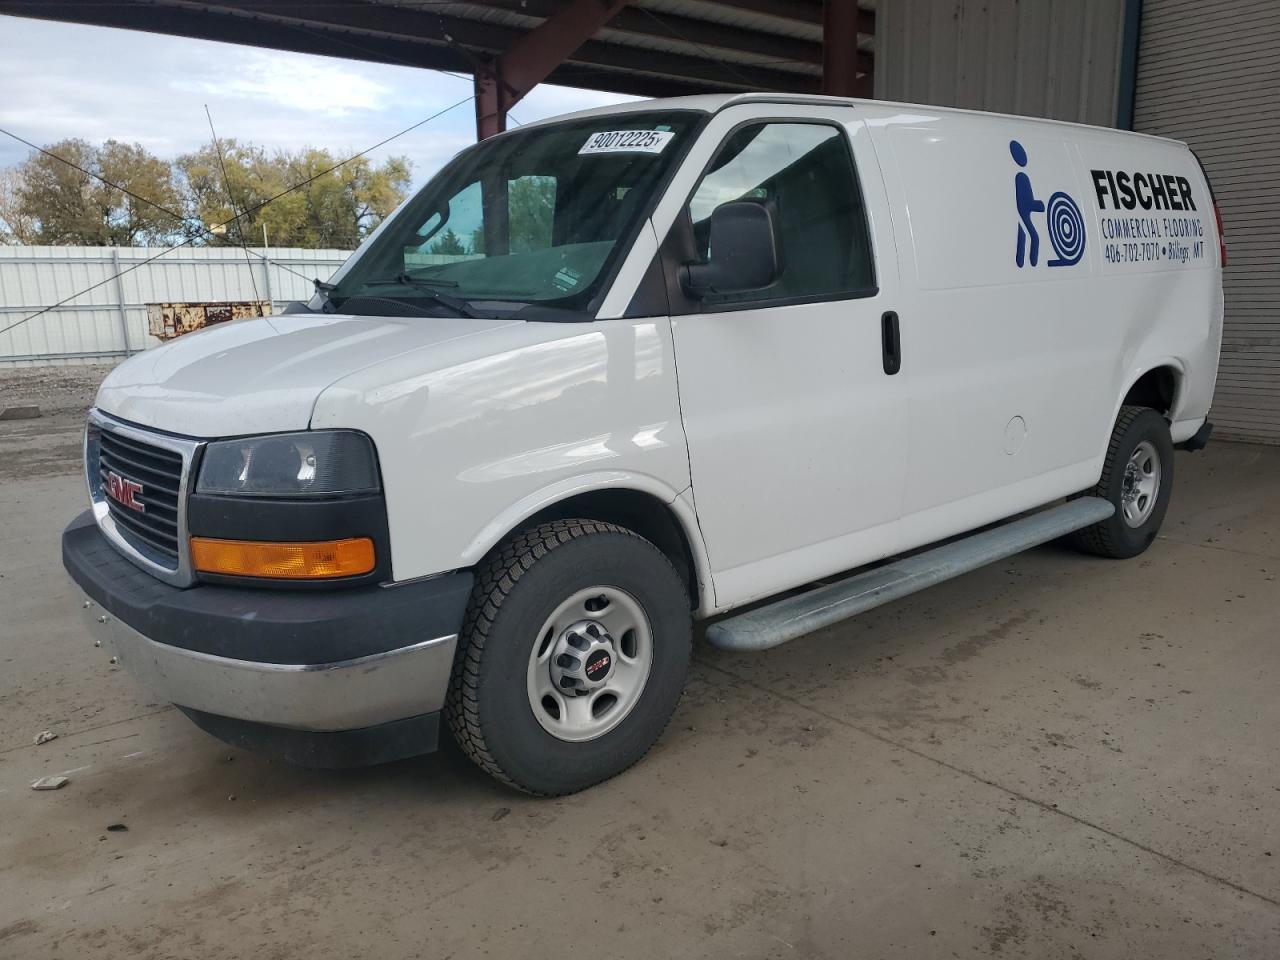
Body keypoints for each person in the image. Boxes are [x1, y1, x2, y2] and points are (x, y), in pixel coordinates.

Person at [1011, 140, 1044, 267]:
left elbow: (1026, 198)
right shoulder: (1021, 177)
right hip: (1023, 212)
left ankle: (1026, 261)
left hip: (1024, 212)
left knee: (1028, 234)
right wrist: (1038, 205)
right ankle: (1027, 261)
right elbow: (1025, 199)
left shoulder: (1021, 177)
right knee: (1032, 236)